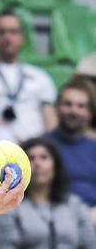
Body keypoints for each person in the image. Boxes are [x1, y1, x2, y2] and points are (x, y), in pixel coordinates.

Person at [0, 9, 57, 142]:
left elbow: (50, 122)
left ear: (23, 38)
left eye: (13, 32)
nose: (8, 38)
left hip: (33, 152)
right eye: (2, 32)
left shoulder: (40, 77)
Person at [45, 78, 96, 214]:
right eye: (68, 104)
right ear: (57, 107)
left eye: (81, 106)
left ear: (90, 113)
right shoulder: (41, 148)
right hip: (55, 220)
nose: (74, 111)